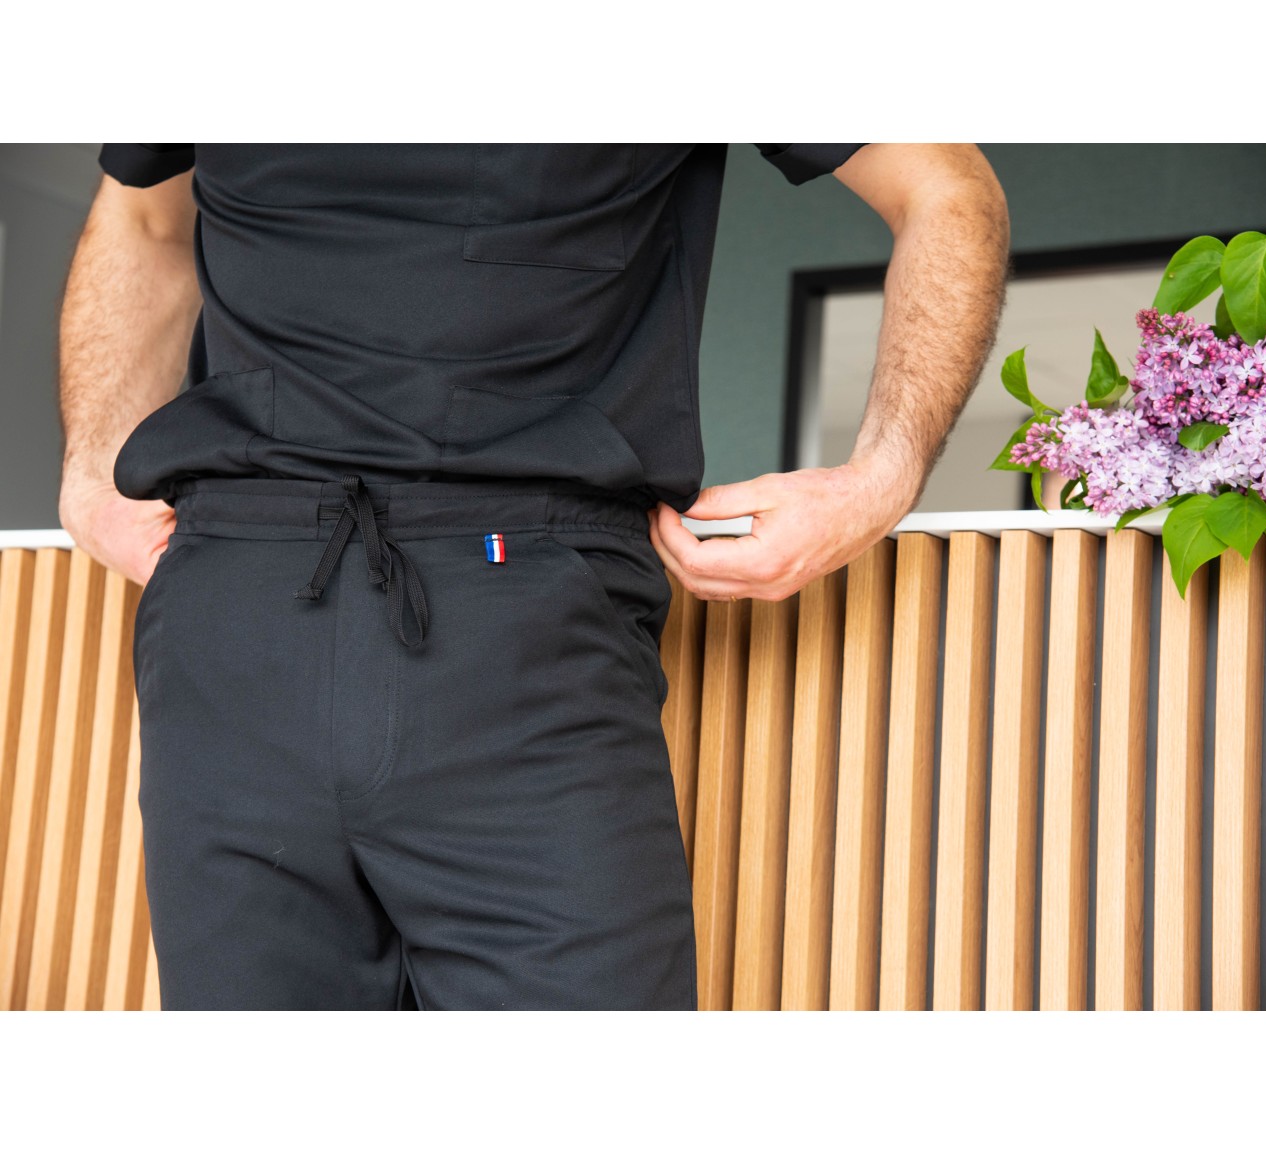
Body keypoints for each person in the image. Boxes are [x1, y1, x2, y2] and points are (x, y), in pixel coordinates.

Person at [57, 144, 1009, 1010]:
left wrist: (879, 479)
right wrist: (90, 475)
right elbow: (142, 215)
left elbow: (945, 189)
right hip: (236, 612)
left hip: (520, 625)